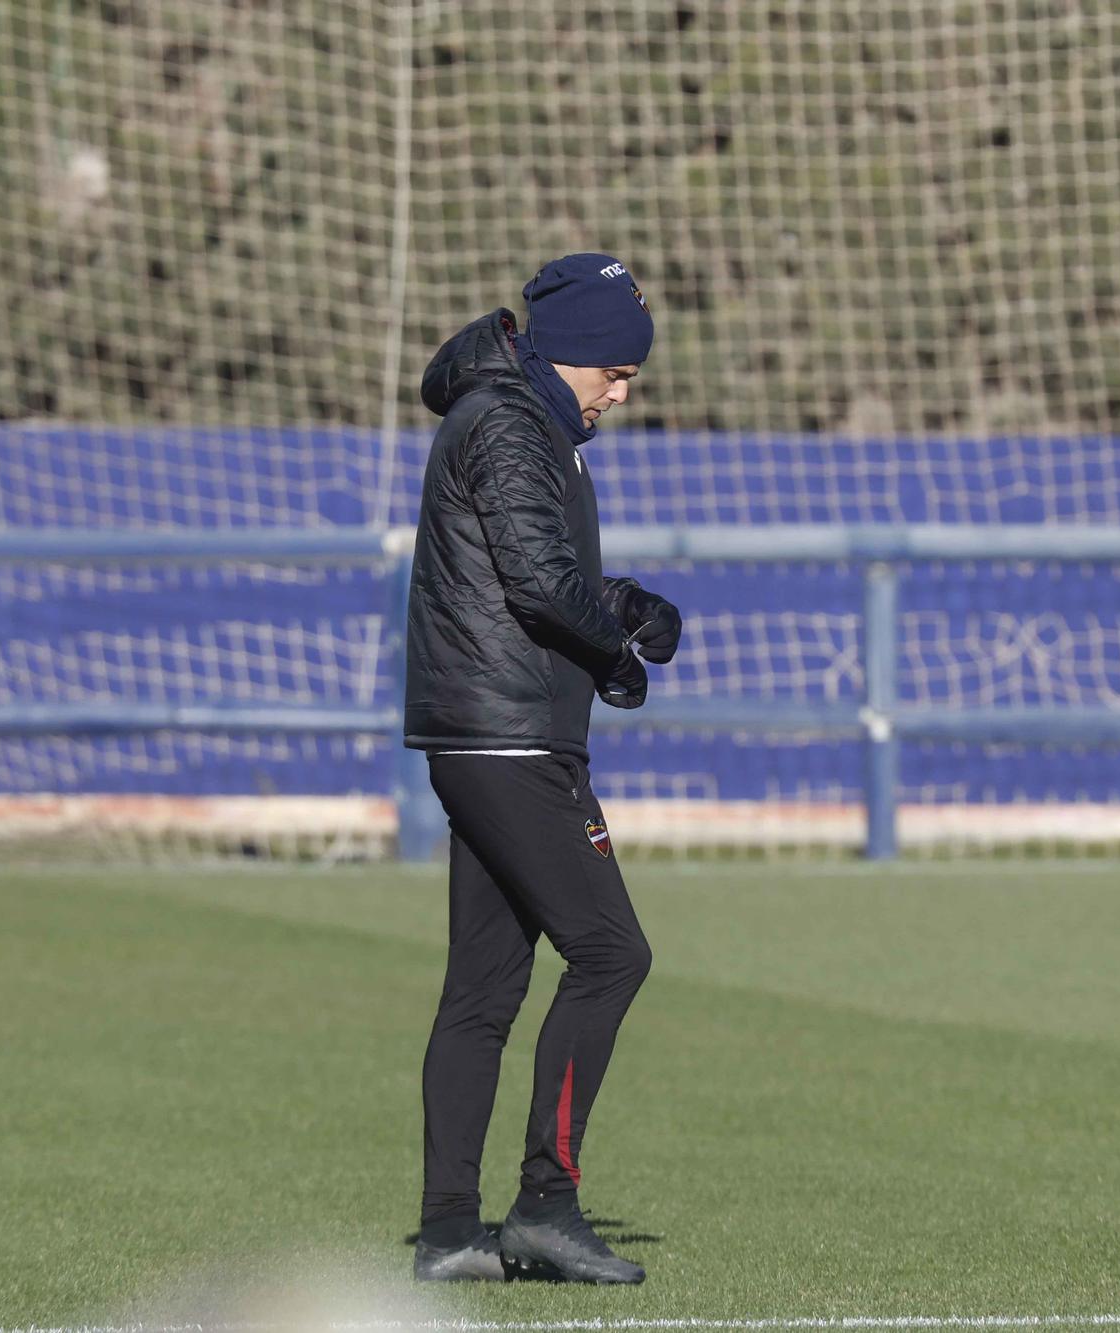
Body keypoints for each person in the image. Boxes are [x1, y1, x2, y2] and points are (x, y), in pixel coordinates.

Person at [401, 253, 682, 1285]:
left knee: (483, 988)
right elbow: (535, 583)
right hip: (508, 737)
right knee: (610, 954)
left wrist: (623, 609)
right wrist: (612, 649)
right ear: (573, 354)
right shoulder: (513, 424)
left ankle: (444, 1235)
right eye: (617, 370)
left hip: (489, 731)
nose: (624, 388)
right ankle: (544, 1204)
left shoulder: (520, 421)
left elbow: (538, 569)